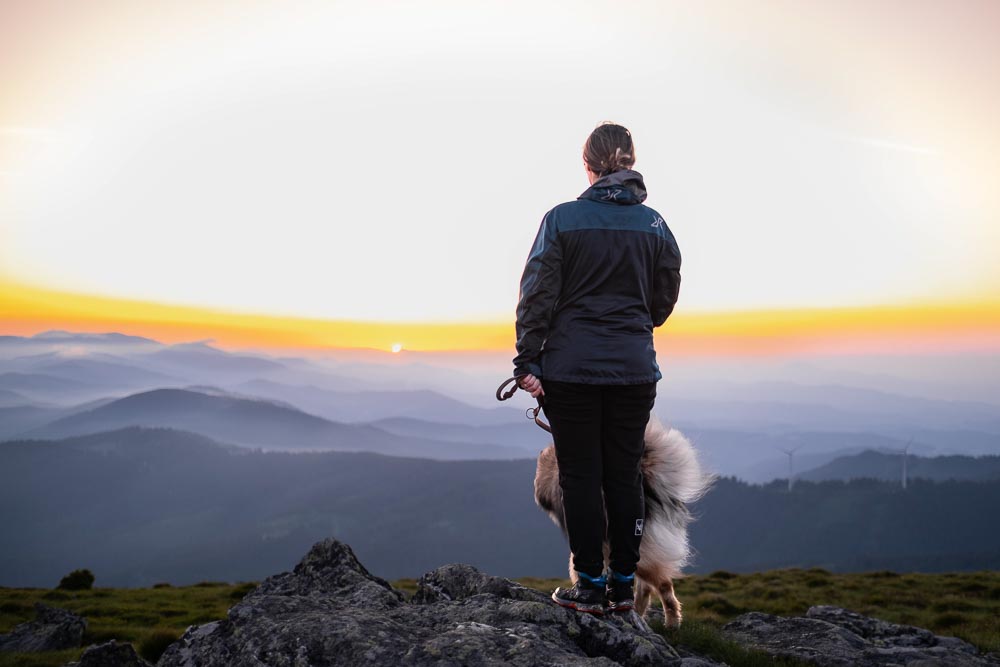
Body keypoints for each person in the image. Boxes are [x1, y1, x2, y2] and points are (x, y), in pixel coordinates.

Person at [512, 121, 682, 614]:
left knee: (581, 476)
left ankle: (588, 586)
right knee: (624, 475)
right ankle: (623, 588)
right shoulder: (655, 225)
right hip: (634, 370)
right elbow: (665, 296)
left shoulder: (562, 220)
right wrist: (633, 324)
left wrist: (527, 359)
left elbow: (536, 293)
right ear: (630, 161)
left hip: (570, 371)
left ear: (587, 164)